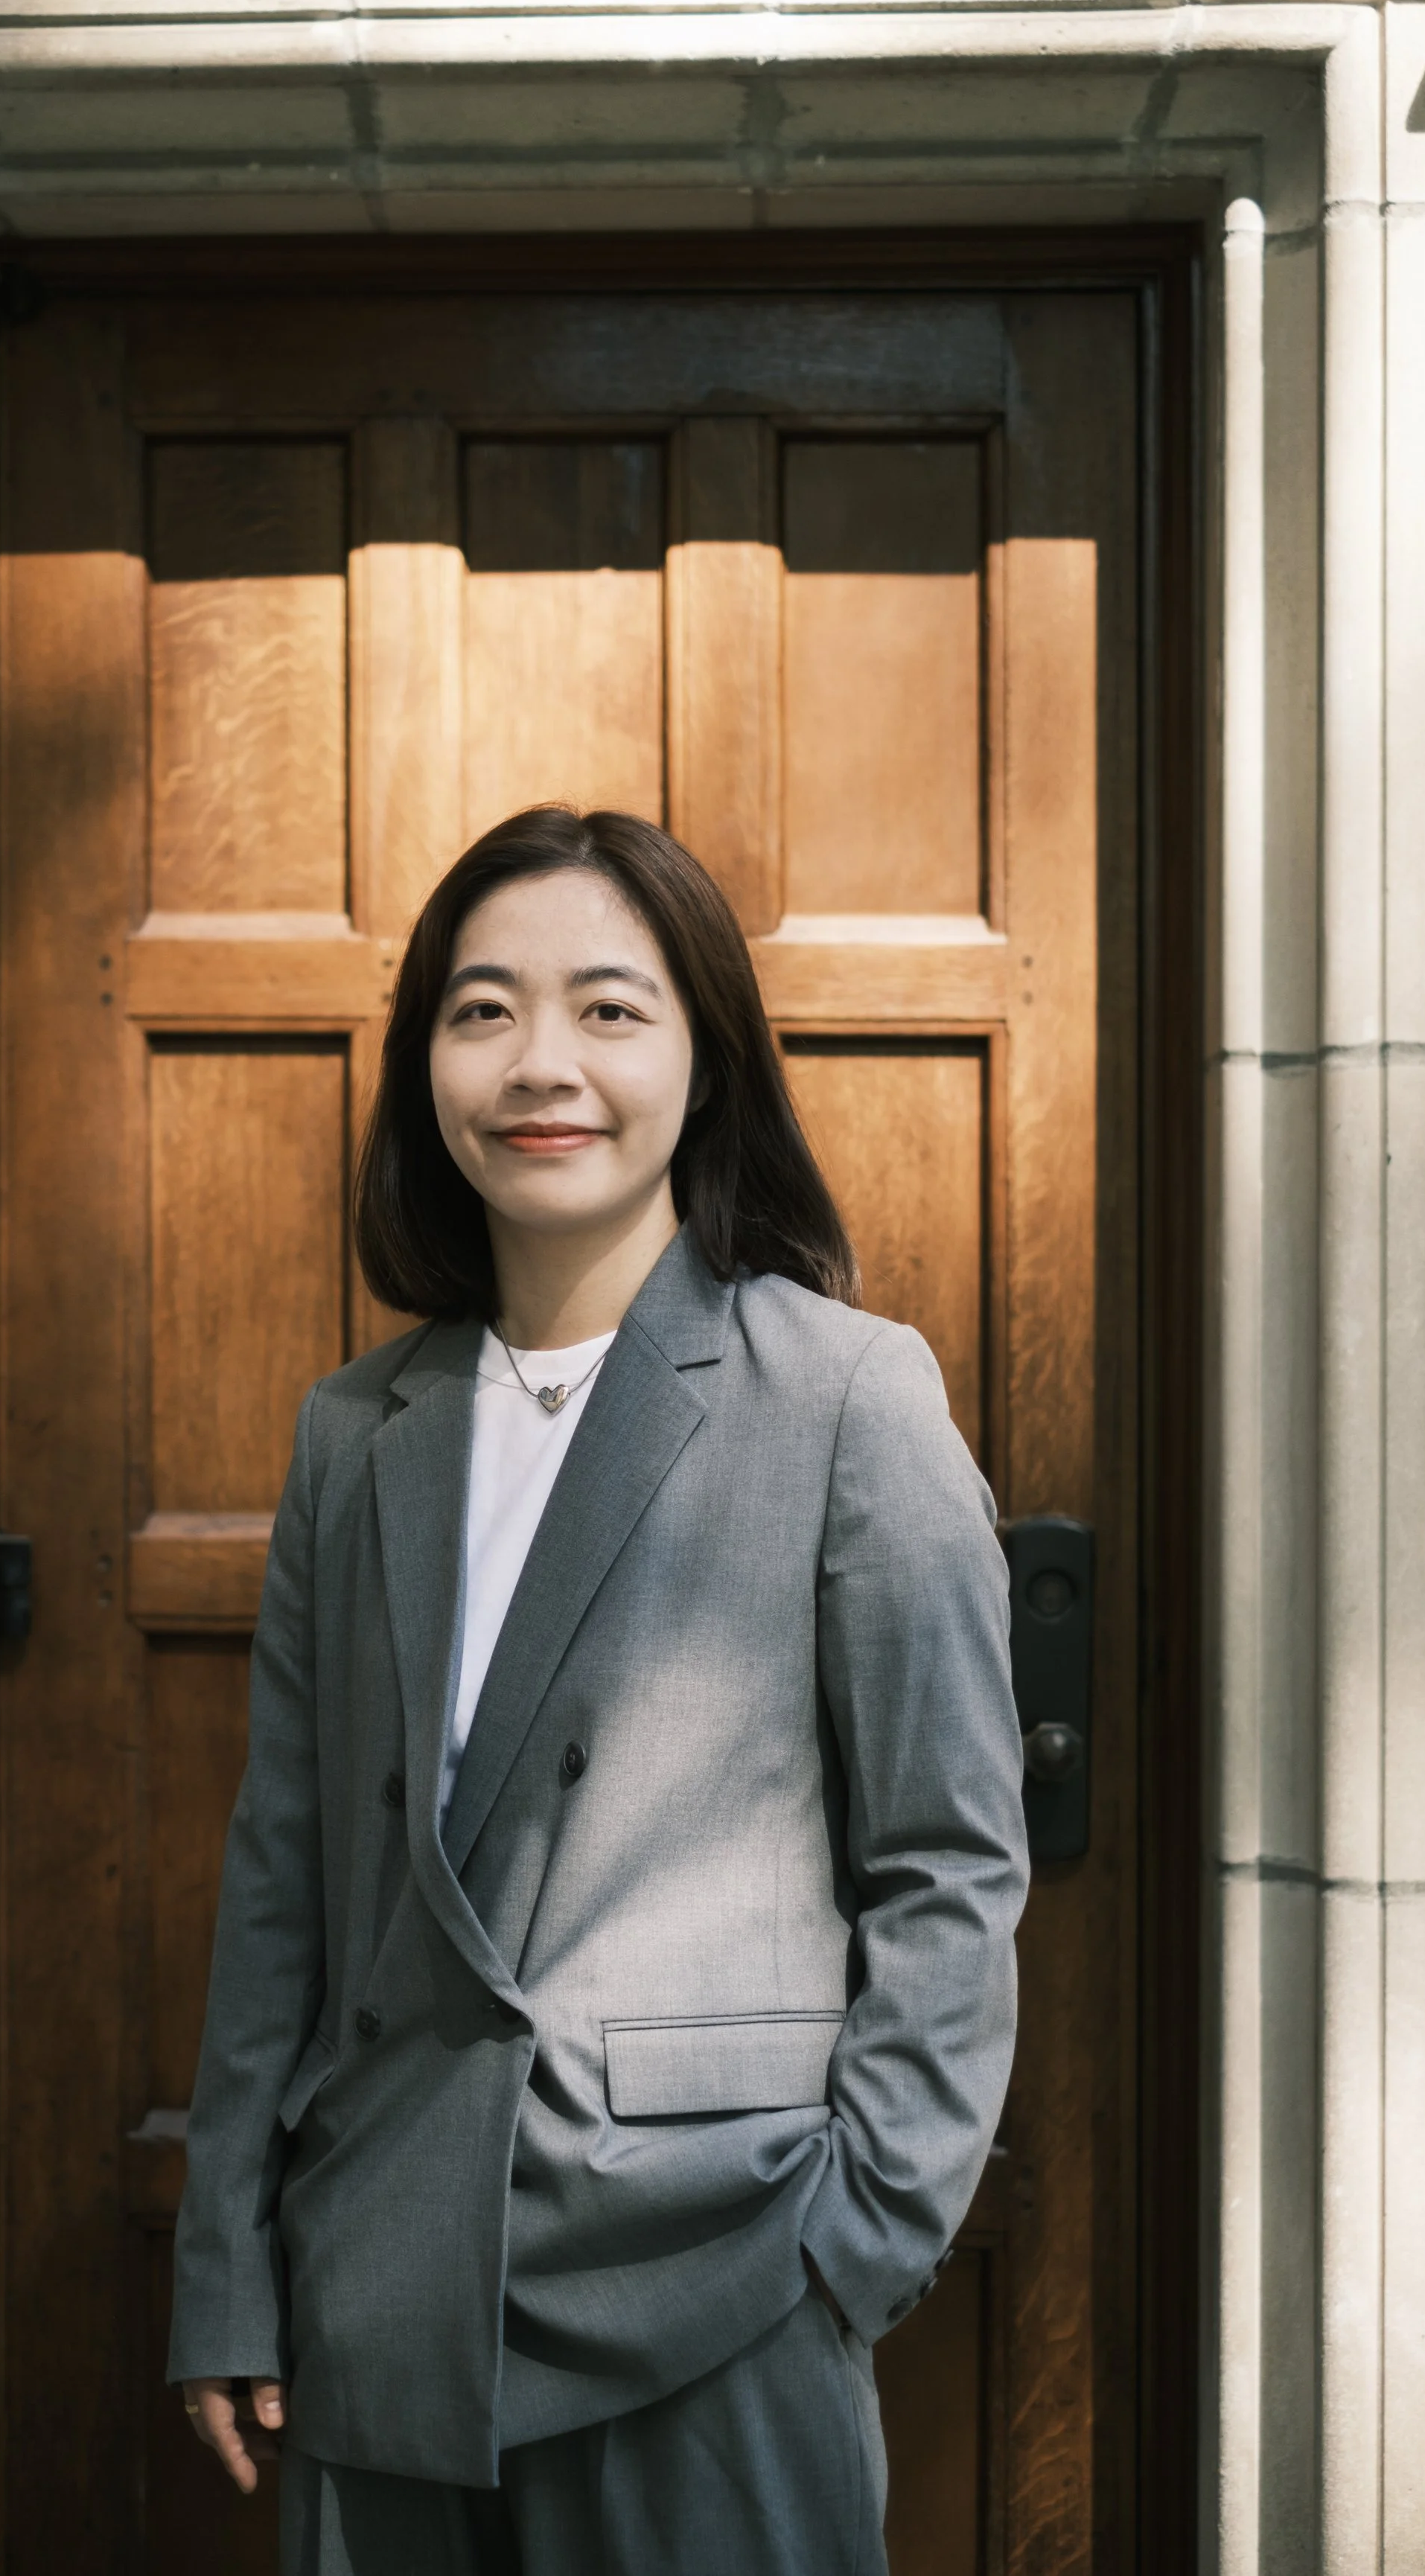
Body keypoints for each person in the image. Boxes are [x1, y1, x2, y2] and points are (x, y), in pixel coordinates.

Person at [168, 806, 1029, 2576]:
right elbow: (285, 1882)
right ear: (424, 1066)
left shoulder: (846, 1400)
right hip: (378, 2283)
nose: (537, 1064)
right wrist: (225, 2272)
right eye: (481, 1012)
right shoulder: (358, 1433)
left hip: (715, 2286)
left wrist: (852, 2250)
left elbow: (947, 1867)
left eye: (607, 1010)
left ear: (705, 1062)